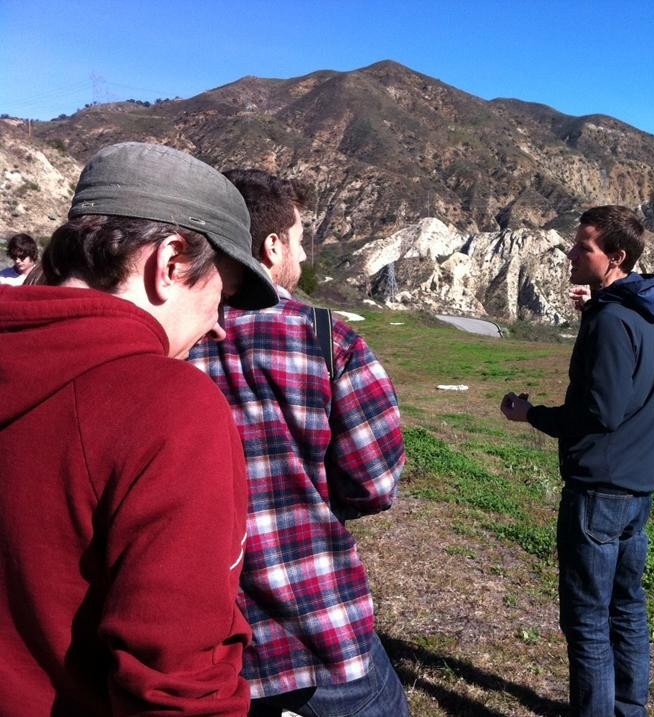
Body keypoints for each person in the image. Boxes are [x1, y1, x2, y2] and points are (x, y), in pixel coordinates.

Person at [0, 142, 279, 715]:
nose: (221, 328)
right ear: (172, 262)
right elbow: (180, 688)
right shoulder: (169, 406)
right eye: (220, 296)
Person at [189, 169, 408, 717]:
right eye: (301, 239)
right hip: (314, 615)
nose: (305, 257)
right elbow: (376, 483)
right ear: (272, 244)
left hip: (204, 633)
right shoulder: (325, 336)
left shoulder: (170, 341)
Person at [500, 205, 654, 717]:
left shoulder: (613, 320)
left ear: (615, 257)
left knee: (588, 620)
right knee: (627, 607)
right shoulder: (640, 309)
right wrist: (593, 309)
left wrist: (531, 414)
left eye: (584, 247)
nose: (571, 253)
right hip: (636, 486)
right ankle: (627, 708)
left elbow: (600, 411)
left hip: (600, 490)